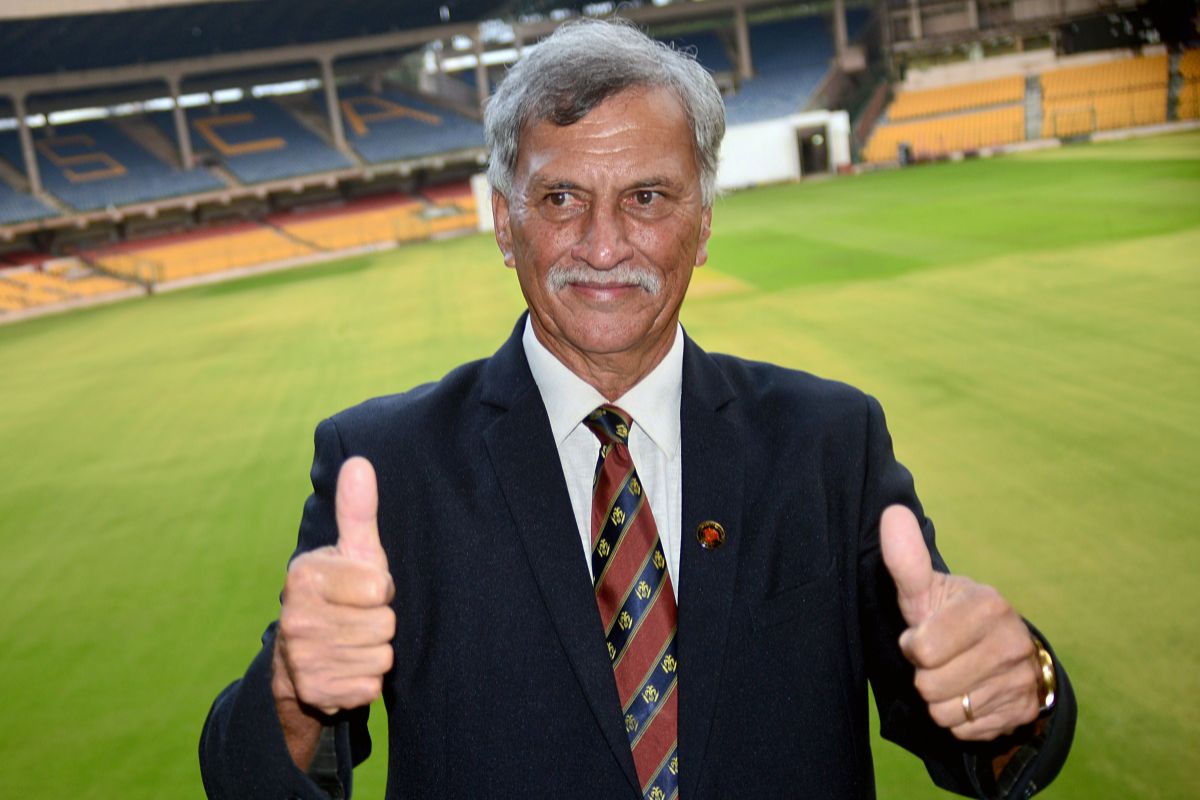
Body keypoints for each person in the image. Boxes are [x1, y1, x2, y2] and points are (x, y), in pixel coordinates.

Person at [200, 18, 1074, 800]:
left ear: (702, 219)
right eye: (561, 199)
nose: (605, 244)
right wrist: (291, 693)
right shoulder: (385, 467)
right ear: (506, 225)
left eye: (647, 198)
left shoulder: (828, 444)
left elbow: (968, 729)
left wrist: (1014, 686)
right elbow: (253, 778)